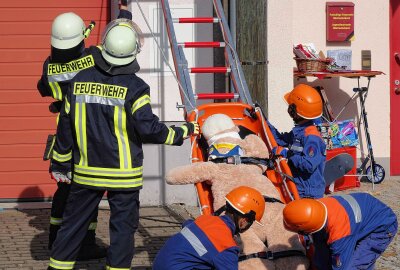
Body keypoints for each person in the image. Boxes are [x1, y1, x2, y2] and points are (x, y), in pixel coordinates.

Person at [47, 17, 200, 270]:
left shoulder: (78, 80)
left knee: (72, 227)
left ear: (103, 46)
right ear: (133, 53)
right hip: (123, 176)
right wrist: (182, 131)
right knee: (122, 232)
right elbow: (148, 129)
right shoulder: (136, 88)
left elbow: (65, 127)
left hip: (86, 173)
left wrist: (60, 161)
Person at [37, 3, 132, 260]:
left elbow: (43, 89)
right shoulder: (93, 56)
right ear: (82, 37)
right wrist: (124, 15)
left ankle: (57, 242)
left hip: (64, 135)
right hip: (90, 134)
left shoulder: (49, 67)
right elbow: (119, 42)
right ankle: (85, 246)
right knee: (87, 192)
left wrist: (59, 102)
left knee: (65, 191)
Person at [152, 186, 266, 270]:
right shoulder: (226, 246)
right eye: (251, 223)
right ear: (244, 221)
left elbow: (187, 223)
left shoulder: (204, 219)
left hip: (159, 264)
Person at [282, 193, 398, 270]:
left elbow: (341, 266)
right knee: (321, 259)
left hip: (381, 226)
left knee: (355, 265)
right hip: (361, 218)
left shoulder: (339, 234)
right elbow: (321, 252)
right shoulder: (316, 208)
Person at [268, 84, 326, 198]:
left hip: (308, 194)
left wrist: (287, 154)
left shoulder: (311, 137)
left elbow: (309, 165)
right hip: (299, 188)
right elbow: (280, 140)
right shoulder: (299, 132)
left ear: (296, 111)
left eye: (290, 106)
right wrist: (264, 122)